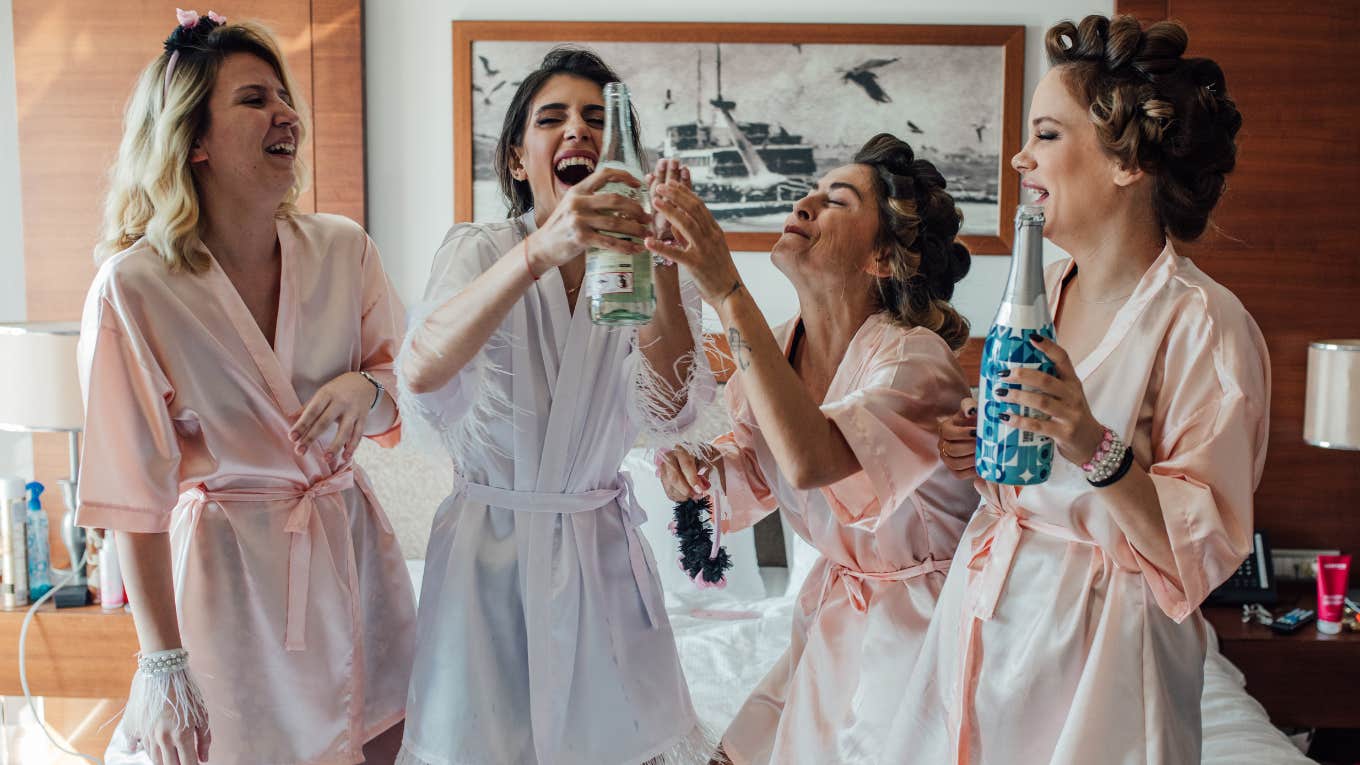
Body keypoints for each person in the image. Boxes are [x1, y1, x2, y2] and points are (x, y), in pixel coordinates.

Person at [882, 14, 1269, 764]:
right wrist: (982, 445)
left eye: (1048, 135)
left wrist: (1091, 441)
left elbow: (1200, 552)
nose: (1022, 156)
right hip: (989, 611)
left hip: (1103, 654)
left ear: (1129, 161)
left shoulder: (1206, 327)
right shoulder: (1046, 288)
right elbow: (1031, 464)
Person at [77, 11, 415, 765]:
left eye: (284, 96)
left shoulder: (343, 249)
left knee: (382, 737)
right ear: (193, 139)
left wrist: (366, 388)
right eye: (254, 98)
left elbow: (402, 392)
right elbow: (133, 498)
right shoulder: (134, 290)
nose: (285, 113)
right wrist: (161, 663)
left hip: (350, 551)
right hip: (229, 584)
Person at [395, 47, 714, 765]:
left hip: (597, 555)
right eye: (554, 118)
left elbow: (670, 411)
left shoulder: (646, 270)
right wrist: (544, 247)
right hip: (486, 563)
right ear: (517, 159)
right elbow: (419, 371)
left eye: (599, 119)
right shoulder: (480, 251)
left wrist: (662, 262)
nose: (579, 130)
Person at [651, 133, 979, 765]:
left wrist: (727, 289)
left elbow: (811, 459)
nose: (804, 203)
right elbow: (754, 471)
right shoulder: (771, 351)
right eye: (812, 192)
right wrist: (695, 472)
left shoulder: (914, 361)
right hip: (835, 618)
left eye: (837, 200)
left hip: (929, 629)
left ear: (883, 257)